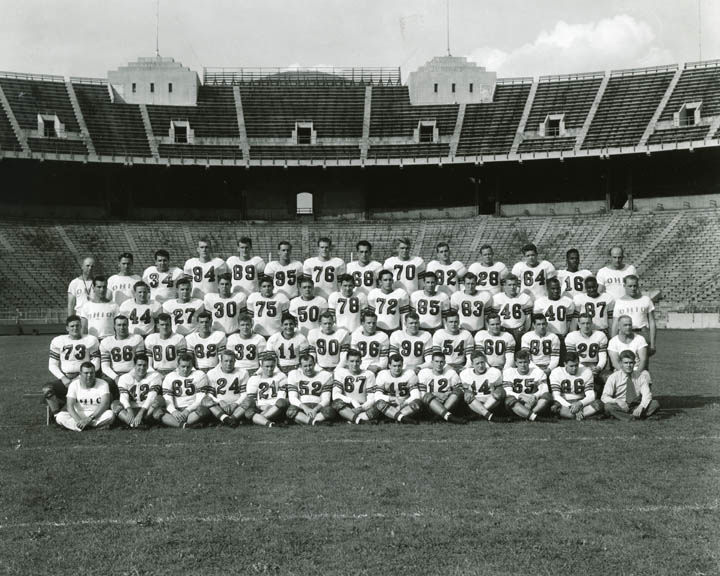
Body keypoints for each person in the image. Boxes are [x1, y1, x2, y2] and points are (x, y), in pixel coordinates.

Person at [45, 315, 101, 416]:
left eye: (77, 325)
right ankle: (57, 415)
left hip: (86, 378)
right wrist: (63, 378)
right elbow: (52, 365)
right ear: (67, 328)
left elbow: (96, 363)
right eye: (72, 326)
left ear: (81, 327)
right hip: (66, 378)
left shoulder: (91, 340)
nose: (75, 328)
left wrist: (82, 377)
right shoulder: (58, 341)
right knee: (47, 389)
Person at [54, 362, 115, 432]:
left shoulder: (103, 383)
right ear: (80, 374)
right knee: (60, 416)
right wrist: (79, 421)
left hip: (96, 415)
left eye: (92, 373)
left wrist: (89, 419)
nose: (89, 375)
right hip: (79, 414)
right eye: (86, 373)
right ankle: (88, 427)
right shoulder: (74, 385)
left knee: (110, 414)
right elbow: (69, 406)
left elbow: (105, 404)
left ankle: (79, 428)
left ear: (95, 373)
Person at [157, 353, 212, 428]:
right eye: (183, 366)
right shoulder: (170, 377)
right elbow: (167, 398)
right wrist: (174, 411)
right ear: (178, 366)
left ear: (192, 366)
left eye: (188, 367)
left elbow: (200, 398)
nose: (185, 369)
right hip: (176, 408)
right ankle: (185, 425)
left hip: (193, 409)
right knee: (157, 412)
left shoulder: (199, 375)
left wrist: (188, 410)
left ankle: (177, 423)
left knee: (204, 410)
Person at [601, 350, 659, 420]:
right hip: (621, 405)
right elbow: (604, 397)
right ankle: (634, 417)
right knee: (608, 407)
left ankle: (624, 416)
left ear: (634, 363)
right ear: (621, 364)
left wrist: (641, 406)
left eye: (631, 363)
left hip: (636, 404)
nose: (628, 365)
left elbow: (647, 395)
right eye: (626, 363)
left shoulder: (640, 376)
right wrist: (617, 401)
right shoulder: (613, 377)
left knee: (655, 404)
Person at [564, 313, 608, 397]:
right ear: (579, 325)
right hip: (578, 366)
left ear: (591, 324)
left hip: (595, 366)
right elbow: (572, 358)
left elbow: (603, 356)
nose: (586, 326)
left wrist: (598, 368)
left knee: (608, 377)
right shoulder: (572, 336)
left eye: (588, 323)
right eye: (583, 323)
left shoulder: (600, 335)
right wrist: (585, 369)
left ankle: (603, 398)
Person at [99, 315, 145, 395]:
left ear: (128, 325)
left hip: (132, 372)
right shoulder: (106, 342)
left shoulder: (137, 339)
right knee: (105, 383)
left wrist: (129, 376)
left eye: (124, 325)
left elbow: (139, 363)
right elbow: (105, 367)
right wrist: (116, 377)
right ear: (114, 327)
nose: (122, 327)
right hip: (114, 374)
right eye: (119, 325)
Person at [611, 275, 656, 356]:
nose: (633, 288)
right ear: (624, 286)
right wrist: (612, 342)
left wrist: (652, 343)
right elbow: (615, 324)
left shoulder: (646, 300)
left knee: (642, 363)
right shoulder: (619, 302)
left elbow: (652, 322)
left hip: (642, 333)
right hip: (625, 335)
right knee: (625, 362)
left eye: (635, 286)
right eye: (630, 286)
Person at [549, 352, 602, 420]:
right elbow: (556, 396)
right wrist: (571, 406)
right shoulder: (556, 372)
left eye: (576, 365)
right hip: (565, 402)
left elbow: (591, 396)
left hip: (581, 401)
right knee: (554, 407)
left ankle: (572, 416)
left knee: (599, 404)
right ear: (565, 364)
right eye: (571, 366)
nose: (574, 368)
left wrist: (580, 403)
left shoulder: (586, 371)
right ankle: (583, 415)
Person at [113, 355, 162, 427]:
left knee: (159, 399)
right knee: (114, 404)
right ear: (134, 365)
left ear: (148, 366)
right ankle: (137, 423)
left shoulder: (155, 376)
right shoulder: (124, 378)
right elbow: (123, 397)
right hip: (131, 409)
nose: (142, 368)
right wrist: (129, 410)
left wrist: (141, 413)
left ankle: (132, 424)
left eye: (144, 365)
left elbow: (151, 397)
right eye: (139, 365)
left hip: (147, 410)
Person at [286, 354, 336, 425]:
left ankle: (305, 420)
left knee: (330, 410)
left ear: (314, 364)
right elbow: (292, 398)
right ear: (300, 366)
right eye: (305, 366)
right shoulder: (294, 374)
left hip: (318, 406)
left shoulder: (325, 375)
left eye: (310, 365)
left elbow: (326, 399)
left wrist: (315, 410)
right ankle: (315, 422)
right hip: (302, 406)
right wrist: (305, 408)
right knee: (290, 411)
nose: (308, 368)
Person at [205, 350, 251, 427]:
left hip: (237, 407)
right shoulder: (212, 373)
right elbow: (210, 394)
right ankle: (229, 420)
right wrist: (220, 402)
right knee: (206, 400)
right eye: (226, 361)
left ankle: (228, 420)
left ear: (235, 361)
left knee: (250, 400)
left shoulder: (243, 372)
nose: (229, 364)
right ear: (221, 361)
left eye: (231, 361)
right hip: (220, 406)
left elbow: (244, 394)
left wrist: (236, 403)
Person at [332, 349, 379, 424]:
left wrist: (361, 408)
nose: (354, 364)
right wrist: (352, 401)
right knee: (336, 403)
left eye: (357, 361)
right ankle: (361, 420)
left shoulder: (369, 374)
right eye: (352, 361)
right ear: (347, 362)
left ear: (361, 362)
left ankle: (351, 418)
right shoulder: (340, 372)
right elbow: (335, 395)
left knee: (378, 407)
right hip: (347, 406)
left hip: (364, 407)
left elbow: (372, 397)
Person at [417, 352, 467, 423]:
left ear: (444, 363)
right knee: (427, 396)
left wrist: (447, 394)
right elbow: (422, 394)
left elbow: (460, 389)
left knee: (458, 392)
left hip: (447, 402)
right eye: (436, 361)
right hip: (431, 404)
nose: (439, 364)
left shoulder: (451, 372)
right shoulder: (424, 373)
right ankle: (449, 417)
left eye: (441, 362)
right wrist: (436, 394)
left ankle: (439, 416)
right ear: (432, 362)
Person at [502, 349, 551, 421]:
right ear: (516, 363)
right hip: (517, 401)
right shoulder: (509, 372)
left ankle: (525, 415)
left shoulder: (538, 372)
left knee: (547, 395)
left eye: (525, 362)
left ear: (529, 362)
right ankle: (534, 417)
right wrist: (520, 396)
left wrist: (535, 396)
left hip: (533, 401)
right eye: (520, 362)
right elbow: (507, 391)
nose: (523, 365)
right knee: (509, 399)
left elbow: (544, 389)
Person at [373, 354, 423, 424]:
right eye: (394, 366)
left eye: (399, 366)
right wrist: (393, 398)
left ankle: (392, 418)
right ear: (389, 366)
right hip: (389, 405)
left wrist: (403, 404)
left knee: (418, 402)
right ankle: (403, 419)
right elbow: (377, 396)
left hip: (405, 405)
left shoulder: (409, 373)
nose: (397, 368)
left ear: (402, 365)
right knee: (379, 403)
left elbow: (416, 395)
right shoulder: (382, 374)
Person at [459, 350, 505, 421]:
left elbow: (499, 389)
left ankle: (479, 414)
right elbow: (465, 391)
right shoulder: (465, 373)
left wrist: (498, 391)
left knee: (500, 392)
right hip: (474, 403)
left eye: (482, 362)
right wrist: (467, 392)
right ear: (472, 364)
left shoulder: (494, 372)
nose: (480, 366)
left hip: (491, 402)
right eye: (477, 363)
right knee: (467, 395)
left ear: (485, 362)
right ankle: (490, 416)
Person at [245, 355, 290, 424]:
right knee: (248, 412)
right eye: (267, 366)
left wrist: (271, 406)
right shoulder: (254, 379)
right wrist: (262, 407)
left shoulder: (281, 376)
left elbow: (281, 397)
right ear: (262, 367)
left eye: (272, 366)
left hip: (276, 408)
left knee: (282, 402)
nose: (269, 369)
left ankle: (260, 419)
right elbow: (252, 399)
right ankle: (269, 422)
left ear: (275, 366)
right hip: (260, 407)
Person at [491, 274, 533, 346]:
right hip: (503, 329)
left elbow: (528, 318)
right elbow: (494, 317)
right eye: (509, 285)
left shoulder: (525, 298)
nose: (512, 287)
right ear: (505, 285)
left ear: (517, 285)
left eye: (514, 284)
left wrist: (524, 330)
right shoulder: (497, 298)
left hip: (519, 330)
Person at [367, 269, 410, 334]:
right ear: (380, 282)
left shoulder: (400, 293)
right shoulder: (373, 293)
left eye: (390, 280)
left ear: (393, 281)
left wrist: (404, 331)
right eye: (385, 280)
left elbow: (404, 315)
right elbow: (370, 315)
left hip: (395, 329)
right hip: (378, 329)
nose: (388, 282)